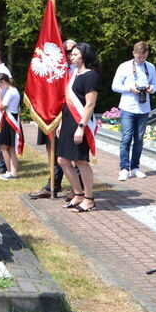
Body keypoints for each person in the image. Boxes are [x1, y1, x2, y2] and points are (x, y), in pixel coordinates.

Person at [30, 38, 77, 200]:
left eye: (70, 51)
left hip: (70, 116)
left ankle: (78, 188)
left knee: (71, 154)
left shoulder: (77, 70)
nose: (67, 55)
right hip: (52, 113)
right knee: (53, 151)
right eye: (64, 52)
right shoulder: (56, 68)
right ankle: (53, 186)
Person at [57, 42, 100, 213]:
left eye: (75, 54)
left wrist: (81, 127)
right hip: (68, 121)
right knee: (62, 160)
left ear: (84, 56)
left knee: (81, 161)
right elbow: (67, 101)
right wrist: (61, 122)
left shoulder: (91, 76)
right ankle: (78, 194)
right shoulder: (74, 74)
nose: (71, 57)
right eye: (71, 54)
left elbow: (90, 104)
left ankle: (89, 199)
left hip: (80, 122)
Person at [112, 41, 156, 181]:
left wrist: (151, 88)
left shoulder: (150, 67)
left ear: (147, 54)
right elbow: (115, 86)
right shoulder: (124, 66)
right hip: (128, 107)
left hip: (144, 108)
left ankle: (135, 167)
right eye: (139, 57)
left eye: (144, 57)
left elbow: (155, 84)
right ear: (133, 54)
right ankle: (124, 168)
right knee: (126, 138)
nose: (141, 60)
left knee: (139, 140)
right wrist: (130, 89)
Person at [0, 73, 21, 179]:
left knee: (4, 147)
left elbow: (2, 106)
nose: (0, 87)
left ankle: (9, 171)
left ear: (3, 82)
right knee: (11, 148)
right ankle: (13, 172)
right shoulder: (15, 90)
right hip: (12, 119)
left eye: (0, 85)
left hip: (9, 121)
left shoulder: (10, 92)